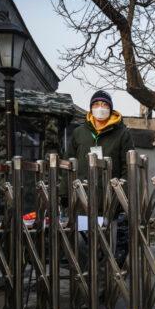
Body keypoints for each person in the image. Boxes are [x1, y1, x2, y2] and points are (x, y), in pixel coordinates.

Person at [62, 90, 135, 267]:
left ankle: (103, 291)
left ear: (110, 109)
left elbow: (127, 168)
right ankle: (85, 290)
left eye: (104, 105)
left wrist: (121, 197)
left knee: (106, 249)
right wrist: (65, 193)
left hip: (108, 203)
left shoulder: (122, 133)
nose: (100, 108)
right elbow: (67, 164)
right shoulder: (80, 133)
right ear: (90, 108)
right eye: (96, 105)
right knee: (83, 248)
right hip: (82, 201)